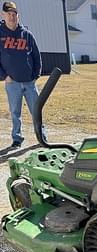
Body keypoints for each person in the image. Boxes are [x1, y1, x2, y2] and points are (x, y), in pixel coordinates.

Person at [0, 1, 42, 148]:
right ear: (3, 15)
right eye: (9, 14)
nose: (12, 17)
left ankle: (42, 137)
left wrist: (36, 75)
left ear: (18, 16)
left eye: (14, 14)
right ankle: (17, 138)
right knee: (15, 112)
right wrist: (4, 76)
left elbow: (36, 56)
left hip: (29, 83)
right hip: (12, 83)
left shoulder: (27, 35)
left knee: (36, 110)